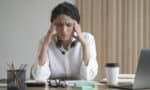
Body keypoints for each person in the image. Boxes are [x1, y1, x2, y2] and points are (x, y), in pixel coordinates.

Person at [31, 2, 98, 80]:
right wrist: (45, 44)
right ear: (53, 25)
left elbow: (88, 77)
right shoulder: (45, 41)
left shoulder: (87, 39)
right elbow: (39, 77)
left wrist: (84, 44)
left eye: (68, 25)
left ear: (76, 26)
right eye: (59, 25)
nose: (64, 30)